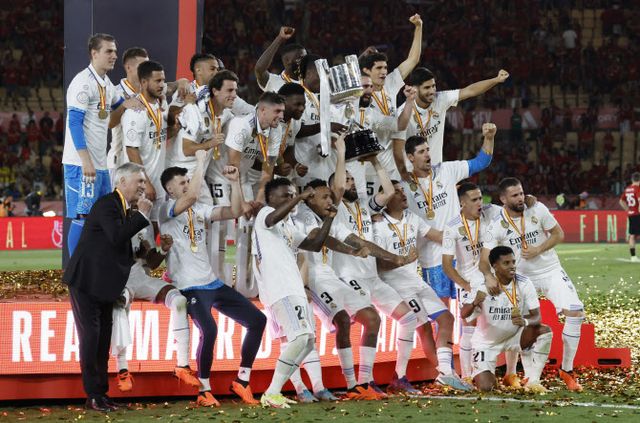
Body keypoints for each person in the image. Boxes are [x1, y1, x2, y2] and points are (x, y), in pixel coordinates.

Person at [159, 150, 266, 407]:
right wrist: (200, 162)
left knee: (258, 320)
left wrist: (235, 183)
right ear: (170, 190)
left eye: (188, 181)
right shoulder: (165, 210)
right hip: (189, 287)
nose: (187, 185)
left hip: (212, 282)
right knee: (210, 330)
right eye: (182, 183)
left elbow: (235, 211)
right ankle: (204, 389)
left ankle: (242, 381)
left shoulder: (198, 210)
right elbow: (192, 196)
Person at [480, 177, 585, 391]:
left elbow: (558, 234)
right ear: (503, 199)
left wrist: (539, 249)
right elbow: (484, 259)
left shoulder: (537, 208)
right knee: (521, 324)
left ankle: (567, 370)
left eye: (521, 193)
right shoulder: (496, 225)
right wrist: (488, 276)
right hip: (521, 277)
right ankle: (522, 376)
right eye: (514, 195)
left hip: (550, 270)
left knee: (575, 312)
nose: (520, 198)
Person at [62, 162, 152, 412]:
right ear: (122, 182)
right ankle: (92, 395)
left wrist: (138, 253)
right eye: (139, 181)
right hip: (86, 282)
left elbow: (114, 246)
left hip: (103, 285)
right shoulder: (107, 204)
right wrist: (142, 217)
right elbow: (115, 236)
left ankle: (101, 394)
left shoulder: (122, 208)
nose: (143, 186)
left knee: (102, 341)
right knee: (91, 339)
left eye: (144, 181)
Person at [329, 156, 418, 398]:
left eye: (352, 179)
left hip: (372, 277)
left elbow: (388, 191)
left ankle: (399, 376)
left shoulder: (364, 207)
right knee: (372, 320)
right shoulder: (335, 210)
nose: (350, 182)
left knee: (408, 318)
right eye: (346, 179)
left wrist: (376, 162)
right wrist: (396, 258)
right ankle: (363, 382)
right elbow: (362, 242)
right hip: (349, 277)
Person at [374, 181, 471, 392]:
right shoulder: (378, 225)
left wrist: (468, 230)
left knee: (447, 319)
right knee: (423, 328)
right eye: (397, 192)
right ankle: (404, 377)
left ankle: (446, 373)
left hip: (416, 282)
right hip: (396, 285)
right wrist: (402, 260)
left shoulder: (412, 218)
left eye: (403, 190)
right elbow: (378, 264)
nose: (403, 194)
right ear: (386, 199)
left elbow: (440, 236)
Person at [251, 178, 336, 408]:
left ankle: (275, 391)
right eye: (285, 195)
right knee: (299, 338)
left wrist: (329, 219)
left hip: (294, 287)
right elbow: (271, 218)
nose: (291, 198)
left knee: (307, 341)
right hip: (280, 288)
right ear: (271, 198)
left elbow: (314, 245)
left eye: (292, 194)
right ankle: (272, 392)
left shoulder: (288, 226)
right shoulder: (264, 214)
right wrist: (298, 197)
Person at [63, 33, 143, 256]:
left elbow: (122, 102)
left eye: (115, 51)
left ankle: (97, 267)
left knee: (105, 214)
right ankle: (74, 272)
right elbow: (74, 123)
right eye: (109, 51)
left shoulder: (106, 84)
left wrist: (135, 102)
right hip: (81, 165)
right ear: (94, 53)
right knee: (82, 217)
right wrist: (85, 161)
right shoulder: (82, 83)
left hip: (100, 165)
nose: (114, 55)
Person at [402, 123, 495, 305]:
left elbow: (481, 162)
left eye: (428, 150)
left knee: (472, 307)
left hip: (463, 256)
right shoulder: (404, 187)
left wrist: (489, 138)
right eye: (421, 152)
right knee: (441, 309)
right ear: (411, 157)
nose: (427, 154)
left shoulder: (446, 170)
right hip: (433, 259)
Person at [110, 229, 195, 392]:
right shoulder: (112, 220)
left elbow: (151, 262)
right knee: (120, 303)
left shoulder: (144, 223)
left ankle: (182, 365)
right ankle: (122, 368)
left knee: (179, 301)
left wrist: (162, 250)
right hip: (117, 276)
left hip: (139, 276)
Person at [461, 246, 552, 393]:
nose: (512, 266)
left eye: (513, 262)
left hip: (514, 337)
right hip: (486, 343)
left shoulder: (524, 283)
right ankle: (487, 376)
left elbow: (537, 317)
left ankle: (533, 381)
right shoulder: (481, 285)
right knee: (486, 388)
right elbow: (463, 314)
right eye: (506, 263)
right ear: (495, 266)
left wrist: (524, 321)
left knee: (544, 331)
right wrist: (474, 302)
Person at [393, 67, 509, 173]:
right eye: (427, 88)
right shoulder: (402, 114)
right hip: (412, 174)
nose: (432, 91)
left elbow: (470, 91)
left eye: (433, 86)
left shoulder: (440, 99)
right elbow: (396, 150)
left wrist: (496, 80)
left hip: (436, 172)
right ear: (415, 89)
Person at [442, 183, 502, 380]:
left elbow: (511, 208)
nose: (479, 203)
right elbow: (447, 265)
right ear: (462, 203)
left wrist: (529, 201)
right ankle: (467, 376)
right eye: (474, 199)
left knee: (494, 327)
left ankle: (493, 372)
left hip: (490, 278)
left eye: (480, 198)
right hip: (469, 281)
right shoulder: (452, 227)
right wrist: (465, 285)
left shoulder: (490, 212)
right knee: (469, 328)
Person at [122, 60, 169, 230]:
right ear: (143, 82)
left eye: (163, 80)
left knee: (155, 229)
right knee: (139, 234)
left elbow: (157, 138)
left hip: (158, 180)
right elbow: (131, 150)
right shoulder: (136, 112)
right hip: (142, 183)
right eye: (157, 81)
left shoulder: (158, 107)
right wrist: (145, 182)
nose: (162, 85)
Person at [254, 26, 306, 92]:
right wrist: (280, 38)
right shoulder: (274, 82)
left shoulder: (312, 82)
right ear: (287, 61)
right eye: (301, 58)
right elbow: (259, 69)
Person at [619, 172, 640, 262]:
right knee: (633, 235)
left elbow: (621, 201)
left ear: (632, 179)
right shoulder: (638, 188)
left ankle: (633, 256)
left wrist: (628, 209)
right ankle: (634, 257)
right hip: (638, 214)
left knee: (632, 235)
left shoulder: (627, 189)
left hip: (631, 214)